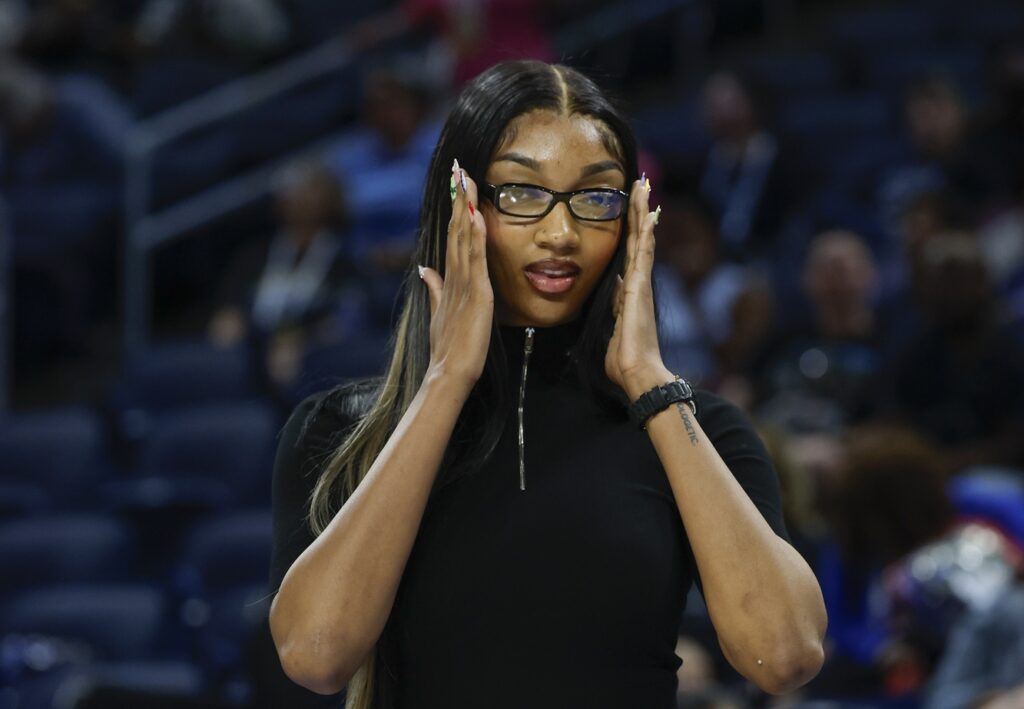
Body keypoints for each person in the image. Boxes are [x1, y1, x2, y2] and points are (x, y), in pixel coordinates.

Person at [267, 59, 826, 708]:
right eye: (523, 194)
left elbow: (785, 653)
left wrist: (651, 381)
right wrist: (446, 381)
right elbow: (315, 653)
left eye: (595, 198)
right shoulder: (339, 427)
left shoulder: (700, 431)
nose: (561, 234)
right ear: (460, 205)